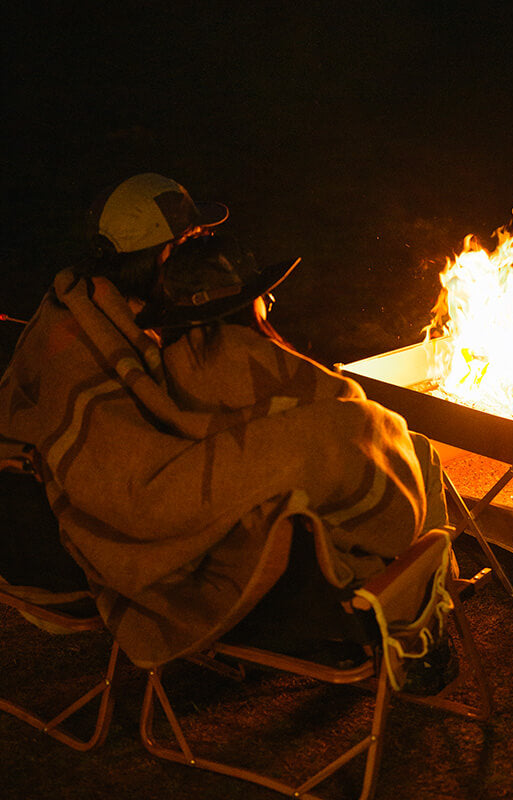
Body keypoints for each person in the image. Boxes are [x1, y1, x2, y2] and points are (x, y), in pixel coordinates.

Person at [0, 173, 447, 669]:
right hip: (67, 554)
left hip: (33, 527)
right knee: (368, 438)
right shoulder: (77, 347)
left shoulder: (108, 309)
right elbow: (137, 489)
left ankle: (414, 609)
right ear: (163, 255)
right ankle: (411, 625)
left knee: (387, 443)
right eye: (192, 240)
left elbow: (181, 420)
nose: (203, 248)